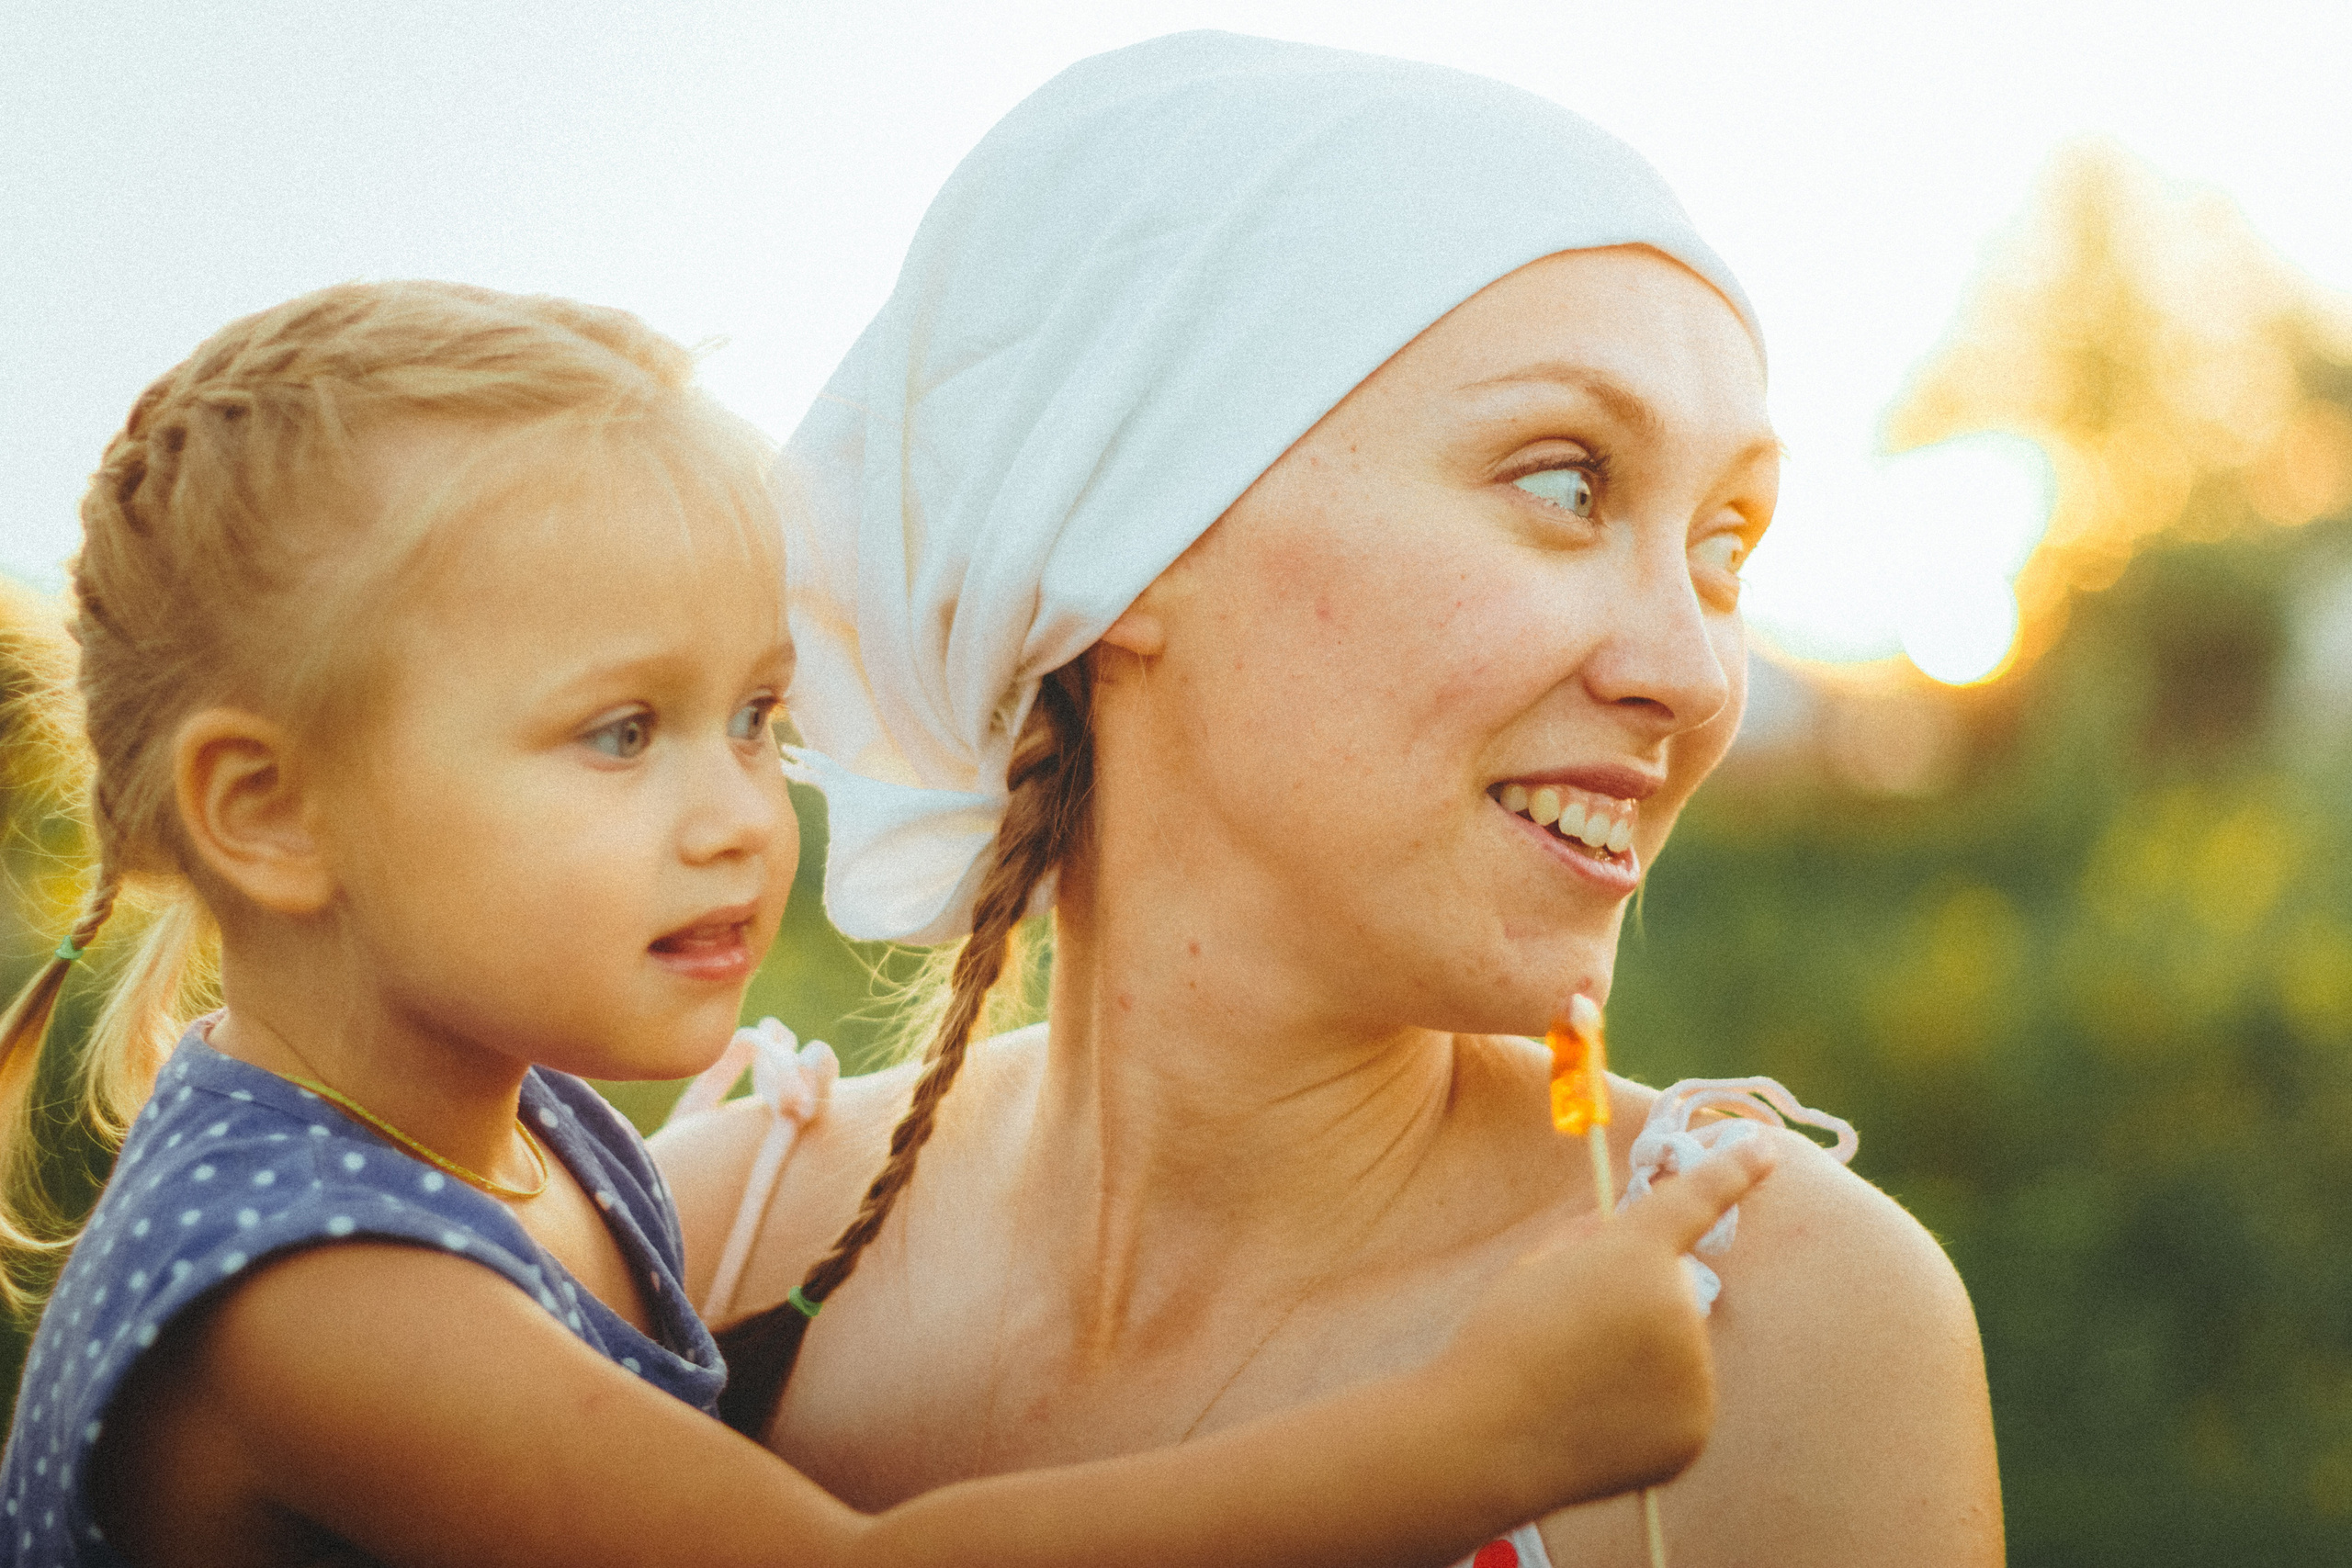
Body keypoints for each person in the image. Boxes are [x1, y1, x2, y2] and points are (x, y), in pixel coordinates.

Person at [0, 279, 1775, 1568]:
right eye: (621, 732)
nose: (738, 818)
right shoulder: (320, 1308)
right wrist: (1489, 1433)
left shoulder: (501, 1124)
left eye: (758, 722)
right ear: (271, 812)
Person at [654, 31, 2003, 1568]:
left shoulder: (1780, 1329)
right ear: (1125, 540)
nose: (1694, 677)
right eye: (1566, 485)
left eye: (1723, 544)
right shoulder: (707, 1242)